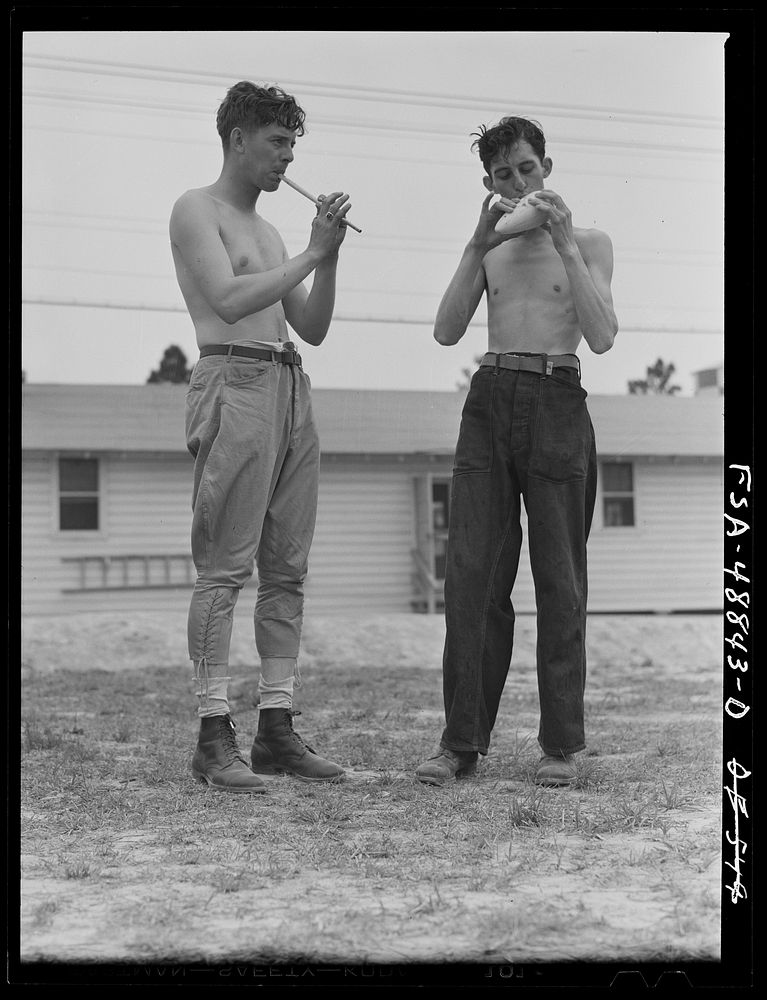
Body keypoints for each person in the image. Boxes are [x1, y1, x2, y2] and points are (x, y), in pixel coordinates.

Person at [416, 116, 618, 788]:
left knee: (558, 576)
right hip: (491, 394)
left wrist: (564, 244)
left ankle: (560, 746)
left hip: (557, 395)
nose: (517, 183)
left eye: (525, 169)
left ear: (546, 169)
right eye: (502, 175)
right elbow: (446, 332)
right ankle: (459, 743)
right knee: (472, 574)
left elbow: (602, 336)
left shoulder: (588, 242)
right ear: (488, 183)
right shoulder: (490, 250)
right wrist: (474, 245)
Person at [170, 81, 352, 793]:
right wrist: (309, 254)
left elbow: (311, 327)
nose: (287, 157)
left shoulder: (275, 234)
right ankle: (213, 736)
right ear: (238, 138)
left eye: (292, 145)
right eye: (277, 142)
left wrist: (326, 254)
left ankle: (276, 728)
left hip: (288, 384)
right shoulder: (196, 208)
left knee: (286, 568)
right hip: (233, 381)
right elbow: (226, 298)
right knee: (224, 567)